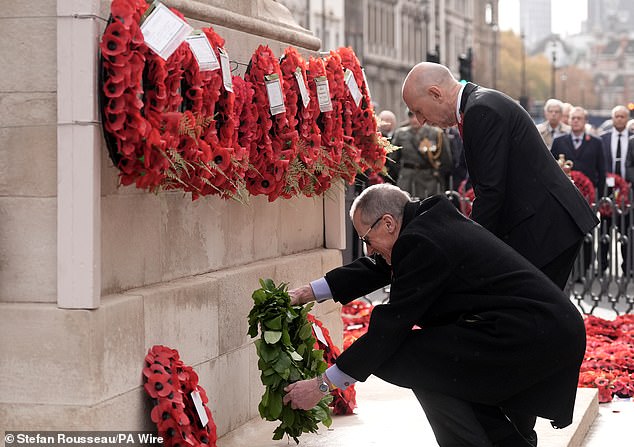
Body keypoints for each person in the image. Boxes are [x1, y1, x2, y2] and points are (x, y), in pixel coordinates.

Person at [283, 184, 586, 447]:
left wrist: (322, 385)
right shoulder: (423, 224)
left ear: (388, 223)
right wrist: (308, 292)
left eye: (366, 239)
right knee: (434, 364)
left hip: (533, 334)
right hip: (536, 328)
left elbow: (390, 329)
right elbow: (380, 267)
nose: (369, 250)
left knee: (409, 359)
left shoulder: (421, 242)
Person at [400, 62, 598, 289]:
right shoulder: (478, 104)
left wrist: (470, 248)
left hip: (547, 227)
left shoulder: (480, 109)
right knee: (532, 313)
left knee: (530, 313)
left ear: (435, 93)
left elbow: (490, 192)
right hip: (542, 224)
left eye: (418, 110)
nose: (421, 120)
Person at [598, 105, 634, 274]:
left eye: (622, 116)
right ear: (612, 119)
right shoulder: (603, 139)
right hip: (608, 190)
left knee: (626, 229)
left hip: (628, 189)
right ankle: (602, 265)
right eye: (617, 116)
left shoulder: (633, 139)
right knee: (604, 229)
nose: (619, 119)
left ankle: (627, 266)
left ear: (627, 119)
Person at [392, 110, 452, 198]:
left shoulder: (435, 133)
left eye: (417, 116)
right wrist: (403, 172)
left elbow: (446, 160)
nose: (414, 120)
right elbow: (393, 159)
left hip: (429, 180)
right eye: (411, 116)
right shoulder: (400, 134)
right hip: (407, 179)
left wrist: (437, 175)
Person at [551, 107, 606, 197]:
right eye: (573, 118)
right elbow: (552, 168)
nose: (575, 121)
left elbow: (601, 171)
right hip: (565, 192)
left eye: (579, 118)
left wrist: (600, 195)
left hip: (589, 193)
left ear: (585, 121)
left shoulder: (596, 142)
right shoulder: (558, 141)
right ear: (568, 120)